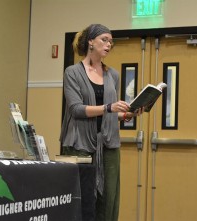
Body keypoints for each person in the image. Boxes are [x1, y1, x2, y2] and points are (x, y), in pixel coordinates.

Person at [60, 24, 143, 221]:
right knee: (83, 200)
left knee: (108, 200)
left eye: (111, 42)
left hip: (108, 145)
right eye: (104, 40)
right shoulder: (72, 72)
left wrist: (128, 113)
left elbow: (110, 113)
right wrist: (109, 107)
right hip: (80, 145)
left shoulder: (112, 74)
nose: (108, 45)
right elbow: (76, 109)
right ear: (90, 41)